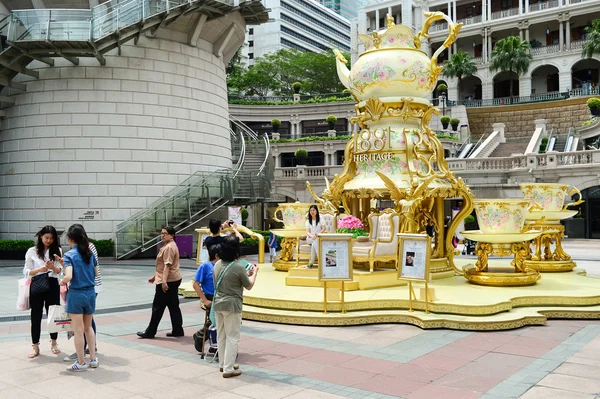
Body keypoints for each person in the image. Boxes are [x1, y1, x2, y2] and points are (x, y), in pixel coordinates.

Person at [213, 236, 258, 378]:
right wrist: (254, 274)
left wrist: (245, 274)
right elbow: (249, 285)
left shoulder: (217, 264)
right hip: (232, 305)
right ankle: (228, 368)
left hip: (218, 304)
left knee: (221, 335)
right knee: (232, 337)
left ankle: (224, 363)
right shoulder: (238, 266)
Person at [57, 224, 99, 372]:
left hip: (76, 294)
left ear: (70, 238)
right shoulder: (89, 253)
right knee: (88, 327)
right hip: (90, 293)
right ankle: (93, 359)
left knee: (78, 330)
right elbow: (96, 274)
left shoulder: (69, 255)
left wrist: (62, 281)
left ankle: (81, 362)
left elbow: (68, 276)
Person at [137, 226, 184, 339]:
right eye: (161, 233)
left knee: (158, 307)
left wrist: (163, 282)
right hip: (173, 279)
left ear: (172, 235)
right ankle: (178, 329)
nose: (162, 235)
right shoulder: (170, 245)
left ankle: (150, 332)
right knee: (173, 306)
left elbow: (167, 266)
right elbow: (162, 266)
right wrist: (155, 277)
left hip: (168, 280)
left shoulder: (168, 247)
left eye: (165, 233)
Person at [23, 225, 63, 358]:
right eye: (46, 237)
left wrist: (53, 267)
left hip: (52, 284)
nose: (48, 240)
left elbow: (59, 271)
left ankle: (54, 343)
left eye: (51, 238)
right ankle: (35, 346)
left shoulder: (57, 251)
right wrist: (40, 269)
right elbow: (26, 271)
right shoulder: (32, 251)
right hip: (37, 284)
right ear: (41, 237)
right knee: (36, 315)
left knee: (53, 314)